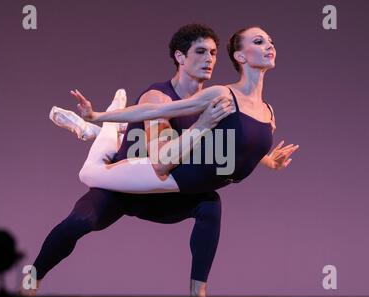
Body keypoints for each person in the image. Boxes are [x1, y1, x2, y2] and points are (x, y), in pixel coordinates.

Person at [26, 24, 229, 297]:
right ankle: (31, 282)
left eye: (214, 53)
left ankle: (198, 294)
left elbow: (233, 141)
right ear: (180, 57)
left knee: (210, 204)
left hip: (160, 193)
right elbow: (161, 157)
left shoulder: (210, 100)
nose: (210, 59)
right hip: (122, 186)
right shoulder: (158, 96)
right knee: (78, 223)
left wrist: (264, 158)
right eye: (201, 51)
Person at [54, 25, 299, 195]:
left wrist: (268, 161)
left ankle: (102, 129)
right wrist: (98, 115)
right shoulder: (220, 95)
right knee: (90, 174)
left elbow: (235, 144)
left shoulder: (265, 110)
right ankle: (100, 127)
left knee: (142, 139)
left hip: (189, 163)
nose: (269, 45)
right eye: (259, 41)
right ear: (240, 56)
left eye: (270, 41)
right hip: (169, 167)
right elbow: (150, 111)